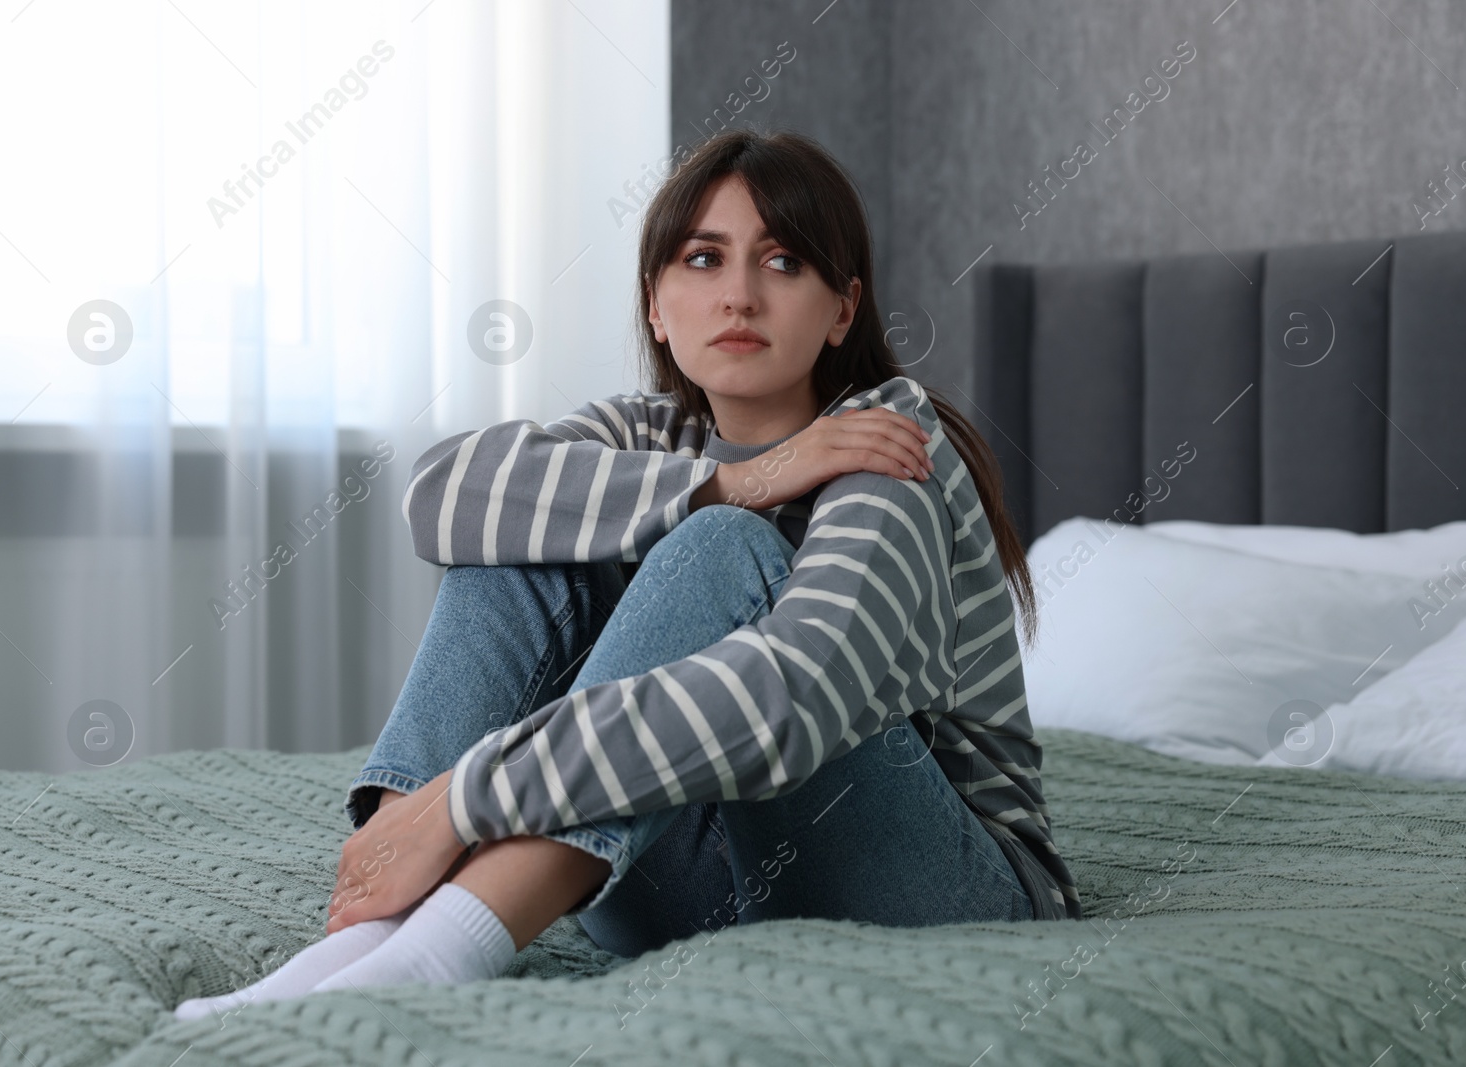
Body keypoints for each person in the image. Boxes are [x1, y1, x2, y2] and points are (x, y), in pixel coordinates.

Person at [175, 126, 1081, 1021]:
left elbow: (795, 698)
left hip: (936, 887)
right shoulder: (653, 436)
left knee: (719, 547)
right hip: (692, 885)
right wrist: (739, 478)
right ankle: (373, 939)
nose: (738, 296)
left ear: (842, 308)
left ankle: (436, 948)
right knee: (524, 541)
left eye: (782, 263)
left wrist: (466, 797)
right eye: (702, 259)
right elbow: (441, 495)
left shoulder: (890, 440)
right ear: (654, 302)